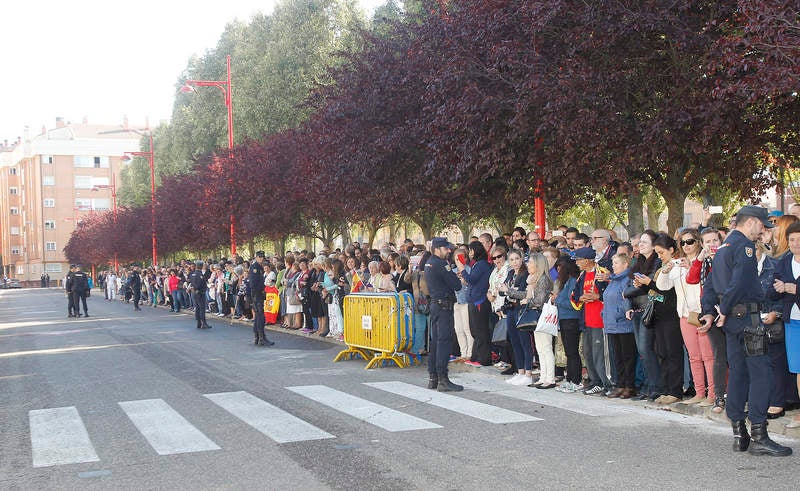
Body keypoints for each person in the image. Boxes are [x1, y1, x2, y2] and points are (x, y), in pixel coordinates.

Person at [701, 205, 791, 457]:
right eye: (762, 226)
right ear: (750, 222)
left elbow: (710, 285)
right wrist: (724, 309)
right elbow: (739, 282)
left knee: (739, 374)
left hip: (732, 323)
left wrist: (710, 310)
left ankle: (739, 433)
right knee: (761, 374)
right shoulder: (744, 247)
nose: (763, 231)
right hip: (748, 319)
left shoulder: (724, 248)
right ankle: (759, 435)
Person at [426, 237, 464, 392]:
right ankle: (443, 378)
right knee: (444, 342)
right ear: (437, 249)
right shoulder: (441, 264)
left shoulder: (429, 262)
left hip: (436, 305)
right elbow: (456, 285)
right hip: (443, 307)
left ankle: (433, 377)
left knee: (435, 343)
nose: (449, 251)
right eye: (446, 248)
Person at [571, 247, 610, 395]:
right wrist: (580, 298)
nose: (577, 263)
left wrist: (598, 296)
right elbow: (574, 295)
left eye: (579, 260)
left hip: (600, 320)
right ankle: (595, 381)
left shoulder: (602, 273)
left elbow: (611, 293)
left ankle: (606, 383)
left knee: (600, 354)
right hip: (586, 320)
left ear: (587, 260)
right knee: (587, 353)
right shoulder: (582, 276)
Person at [604, 253, 637, 398]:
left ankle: (629, 385)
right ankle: (620, 384)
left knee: (627, 357)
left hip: (623, 323)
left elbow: (626, 298)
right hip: (611, 323)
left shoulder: (626, 279)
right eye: (613, 263)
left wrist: (618, 313)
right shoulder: (613, 280)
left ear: (625, 264)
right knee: (617, 357)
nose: (613, 265)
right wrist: (604, 313)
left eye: (616, 263)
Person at [249, 251, 274, 345]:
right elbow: (253, 283)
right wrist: (261, 290)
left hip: (258, 294)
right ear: (256, 257)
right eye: (259, 257)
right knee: (260, 316)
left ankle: (257, 337)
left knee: (258, 316)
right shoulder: (255, 267)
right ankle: (261, 337)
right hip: (257, 294)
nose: (261, 258)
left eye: (262, 257)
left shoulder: (259, 267)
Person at [188, 261, 212, 329]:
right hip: (200, 292)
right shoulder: (200, 275)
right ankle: (203, 323)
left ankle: (198, 322)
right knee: (202, 308)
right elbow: (199, 284)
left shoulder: (192, 274)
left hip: (194, 292)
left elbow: (191, 282)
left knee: (197, 308)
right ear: (201, 266)